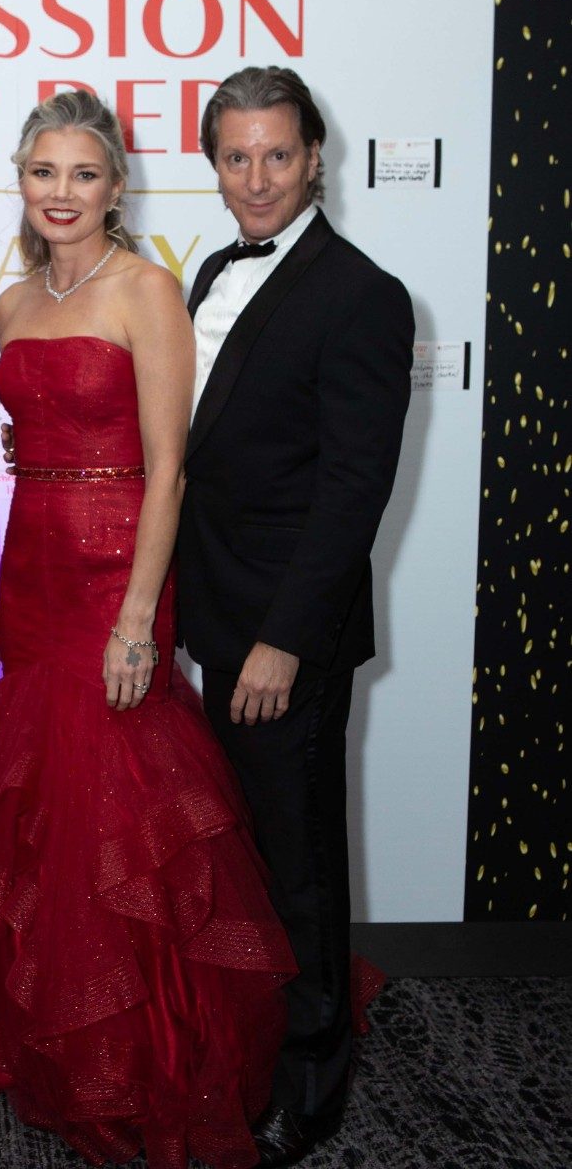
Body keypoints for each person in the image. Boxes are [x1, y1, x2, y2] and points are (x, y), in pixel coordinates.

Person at [0, 91, 297, 1169]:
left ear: (116, 185)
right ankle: (48, 1038)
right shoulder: (15, 298)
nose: (64, 193)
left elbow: (172, 467)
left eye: (85, 174)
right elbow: (9, 460)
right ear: (22, 183)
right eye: (45, 173)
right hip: (32, 564)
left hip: (117, 570)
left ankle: (141, 1054)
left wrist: (139, 617)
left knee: (116, 797)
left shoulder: (147, 290)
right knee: (40, 800)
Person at [178, 66, 414, 1166]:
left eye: (278, 154)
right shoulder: (215, 271)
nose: (257, 177)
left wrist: (282, 638)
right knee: (236, 859)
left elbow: (351, 490)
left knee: (299, 860)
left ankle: (313, 1082)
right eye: (237, 156)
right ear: (214, 163)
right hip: (205, 618)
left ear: (315, 156)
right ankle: (250, 1039)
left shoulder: (361, 290)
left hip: (281, 639)